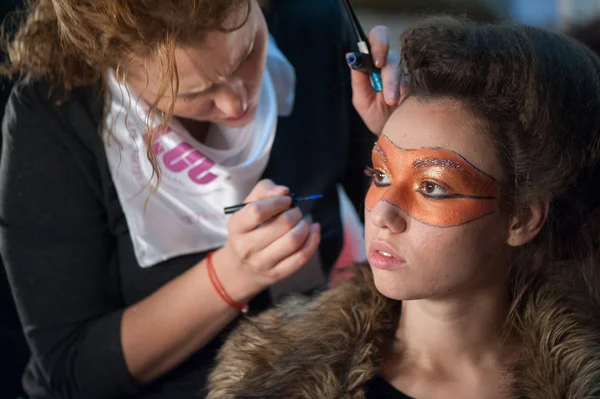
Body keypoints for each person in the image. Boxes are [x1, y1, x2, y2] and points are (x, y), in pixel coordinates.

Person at [0, 0, 400, 397]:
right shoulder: (55, 112)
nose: (237, 104)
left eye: (247, 53)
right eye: (195, 93)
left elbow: (399, 226)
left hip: (313, 372)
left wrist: (399, 137)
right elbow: (70, 369)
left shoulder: (313, 23)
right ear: (115, 64)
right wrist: (230, 275)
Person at [207, 16, 600, 399]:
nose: (381, 215)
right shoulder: (270, 377)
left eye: (432, 187)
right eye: (379, 176)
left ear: (523, 218)